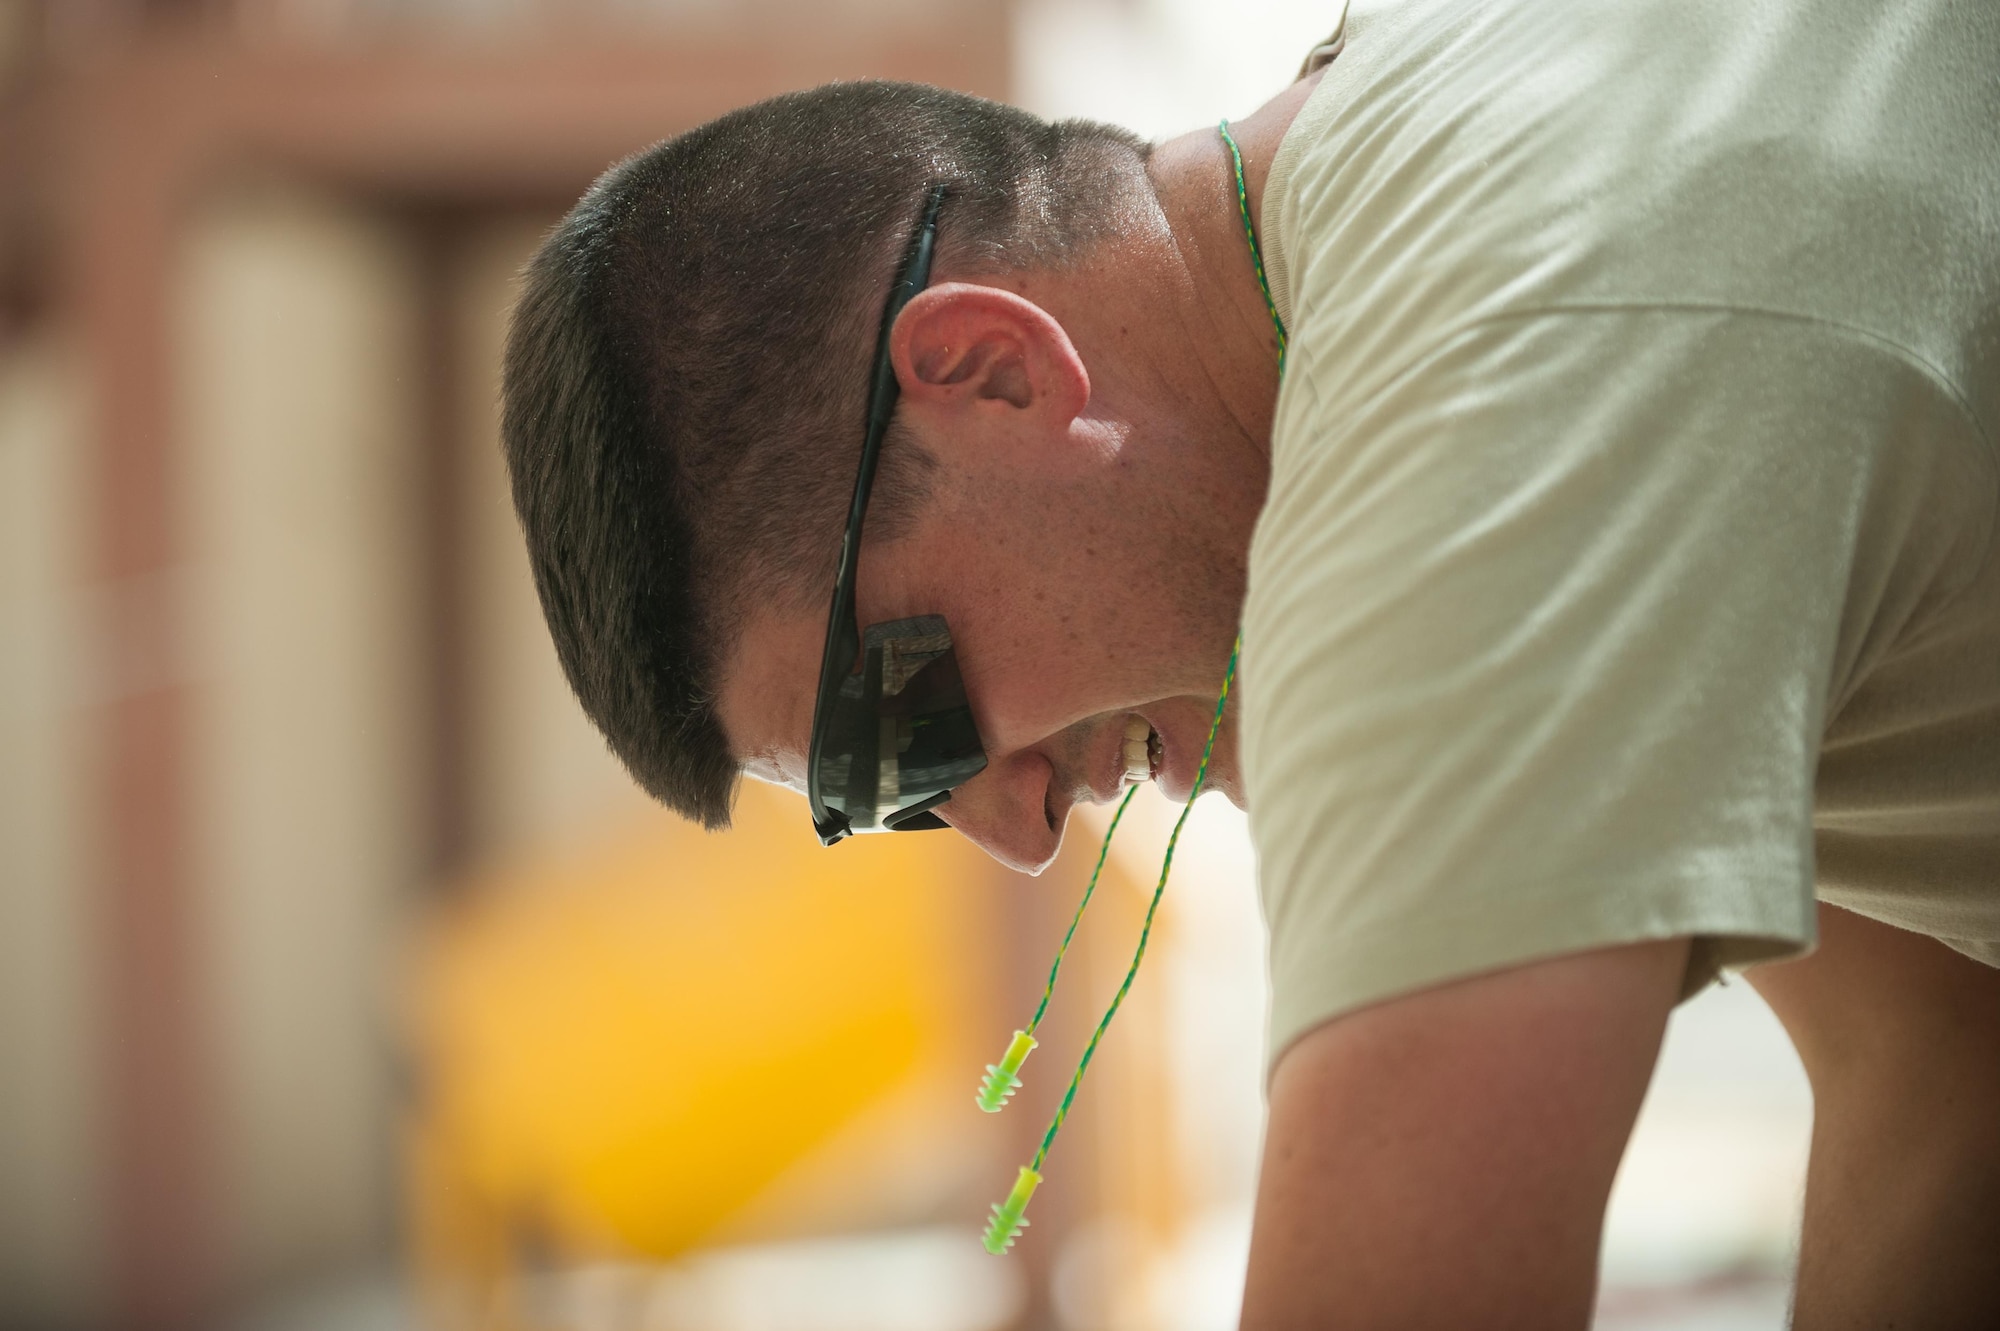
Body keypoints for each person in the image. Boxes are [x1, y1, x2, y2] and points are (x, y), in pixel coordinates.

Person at [500, 0, 2000, 1322]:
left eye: (900, 727)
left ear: (991, 371)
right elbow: (1933, 1053)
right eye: (884, 802)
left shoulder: (1480, 409)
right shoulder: (1464, 123)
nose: (1013, 831)